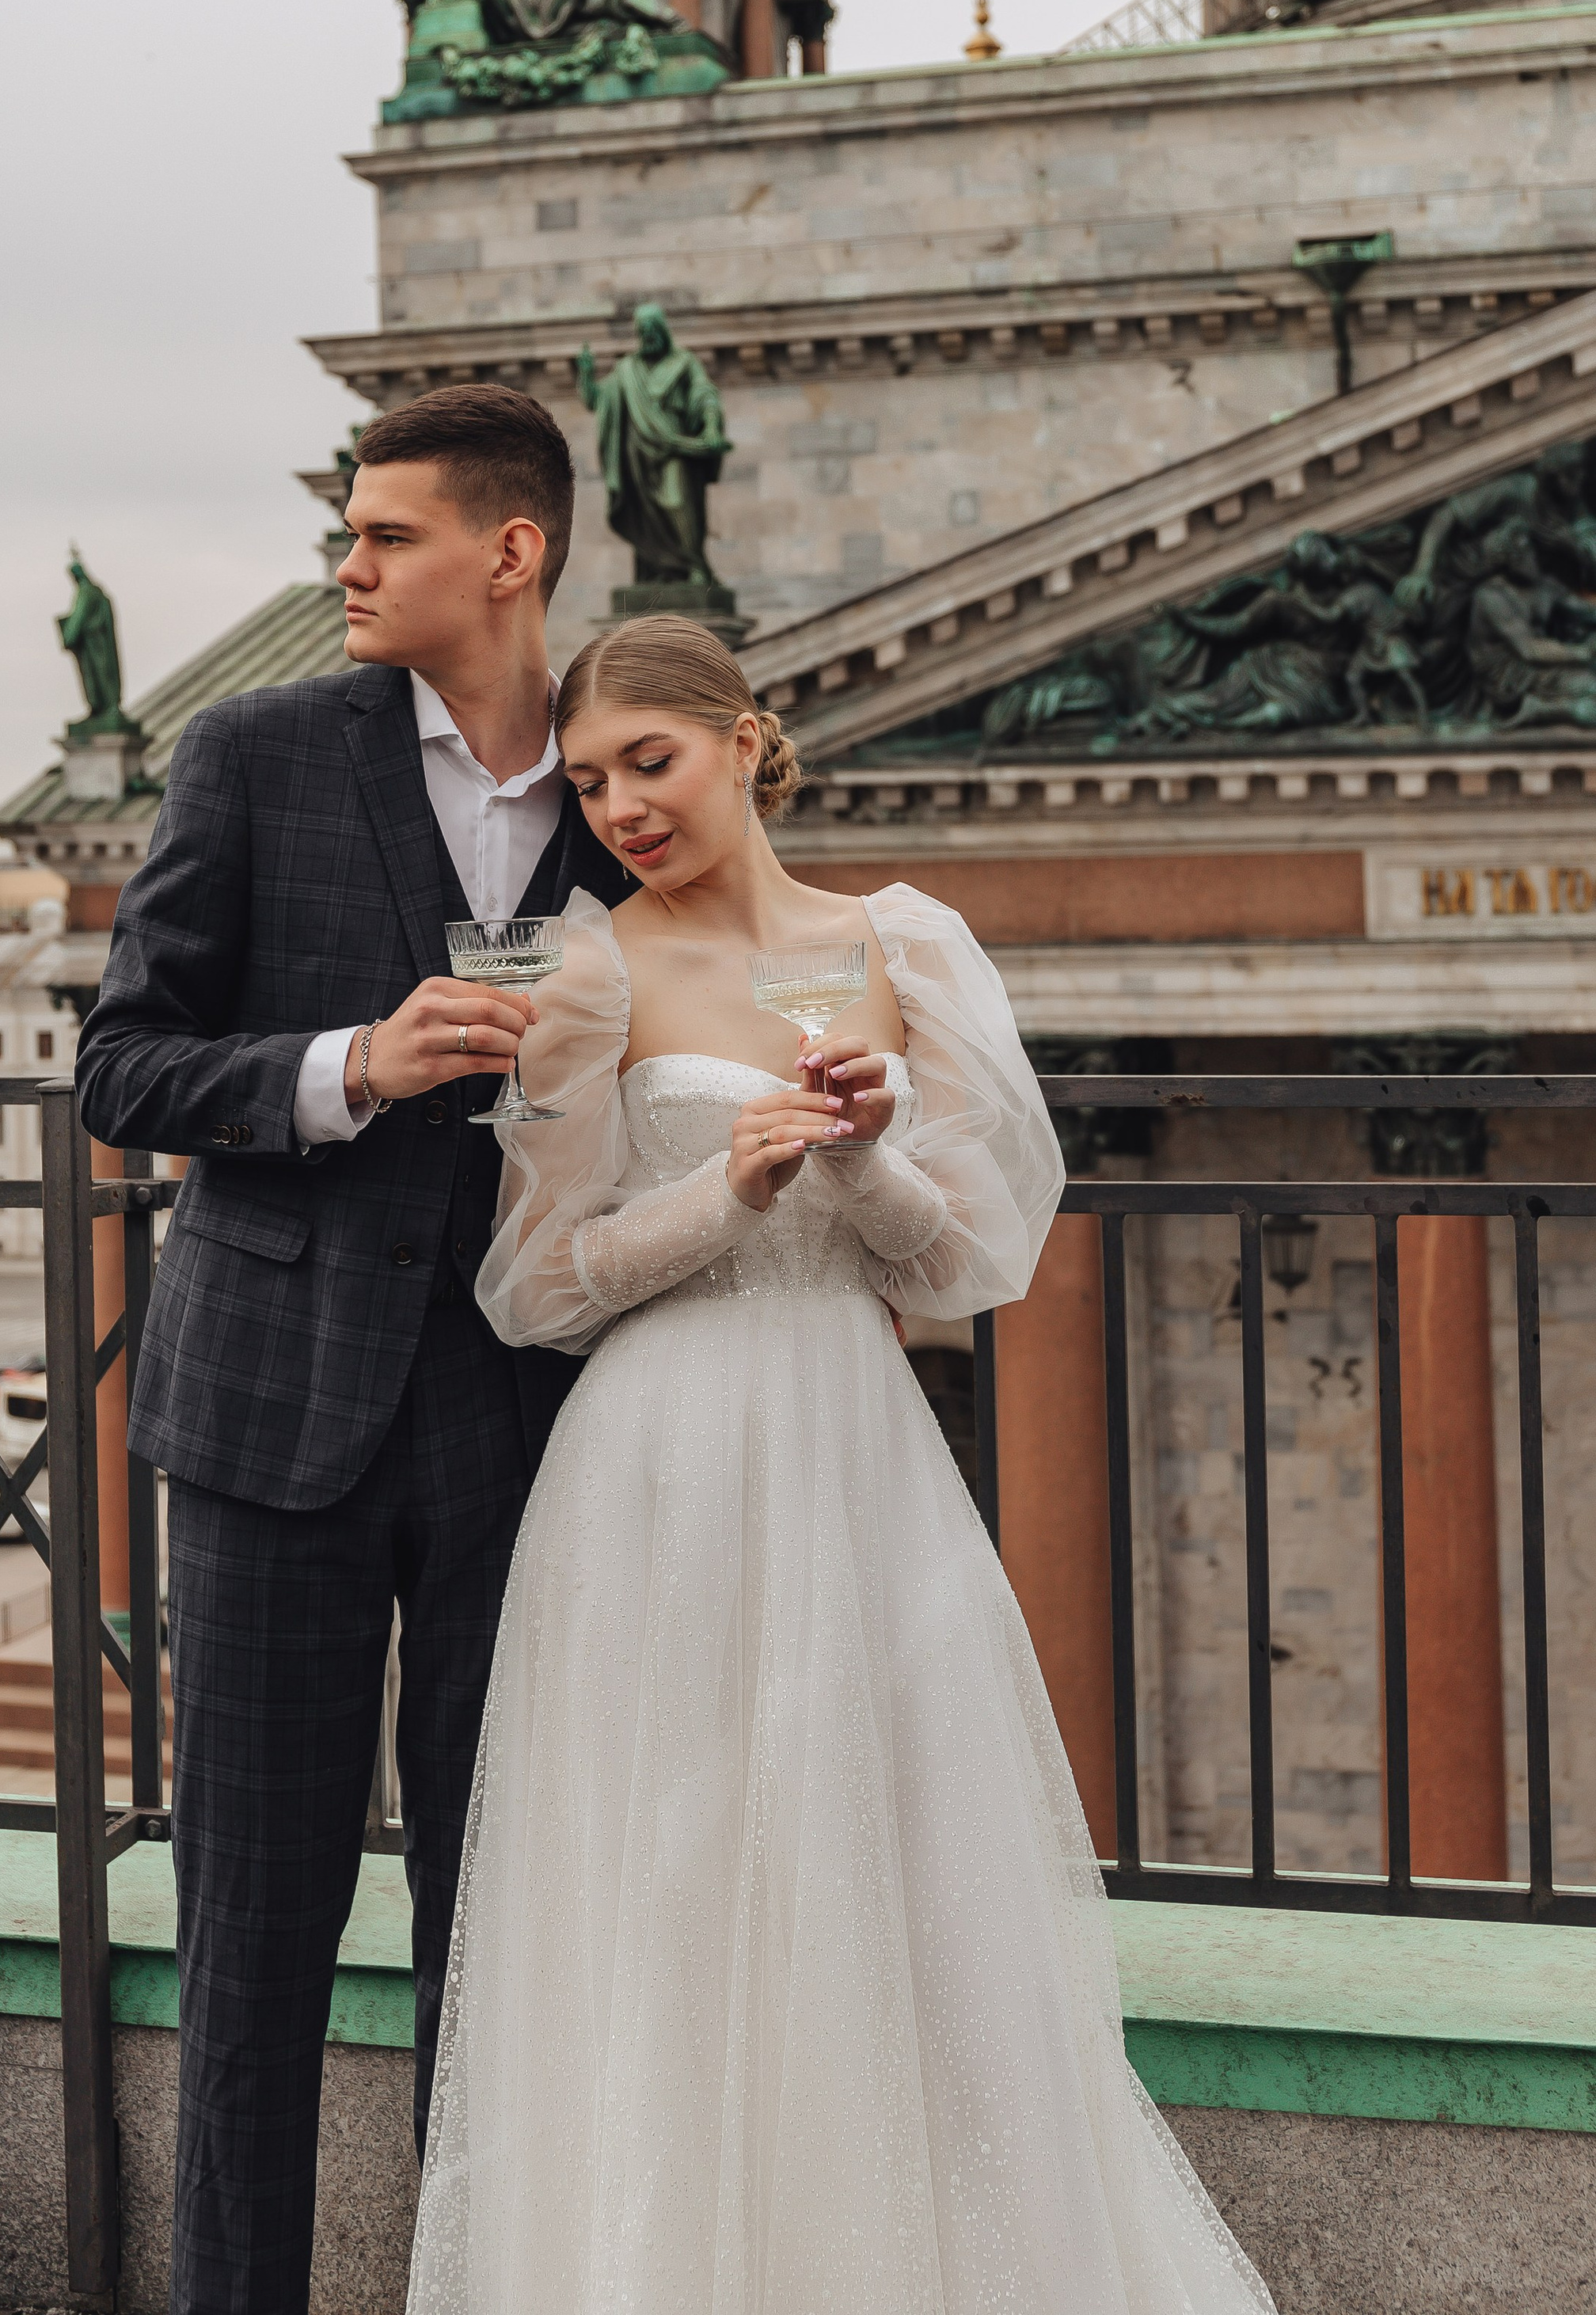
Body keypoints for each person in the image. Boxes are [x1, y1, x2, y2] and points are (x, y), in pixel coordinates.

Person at [407, 614, 1278, 2315]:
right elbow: (532, 1285)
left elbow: (955, 1262)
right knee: (669, 1882)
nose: (621, 809)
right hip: (657, 1461)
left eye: (646, 763)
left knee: (902, 1865)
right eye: (587, 784)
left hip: (854, 1449)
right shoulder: (585, 967)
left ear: (744, 737)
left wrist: (865, 1155)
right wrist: (714, 1194)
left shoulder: (903, 943)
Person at [74, 386, 633, 2315]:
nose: (345, 567)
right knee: (252, 1950)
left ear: (512, 551)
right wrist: (347, 1070)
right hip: (265, 1425)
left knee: (500, 1944)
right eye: (343, 532)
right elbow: (119, 1065)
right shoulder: (250, 754)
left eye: (381, 536)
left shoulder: (625, 790)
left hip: (534, 1420)